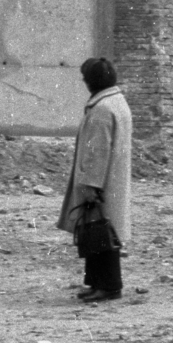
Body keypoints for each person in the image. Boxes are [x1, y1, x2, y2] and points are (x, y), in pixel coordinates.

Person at [56, 57, 133, 302]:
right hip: (113, 180)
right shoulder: (116, 101)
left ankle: (108, 287)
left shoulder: (101, 109)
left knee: (99, 232)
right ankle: (97, 283)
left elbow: (97, 151)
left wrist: (91, 185)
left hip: (101, 182)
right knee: (102, 231)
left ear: (91, 82)